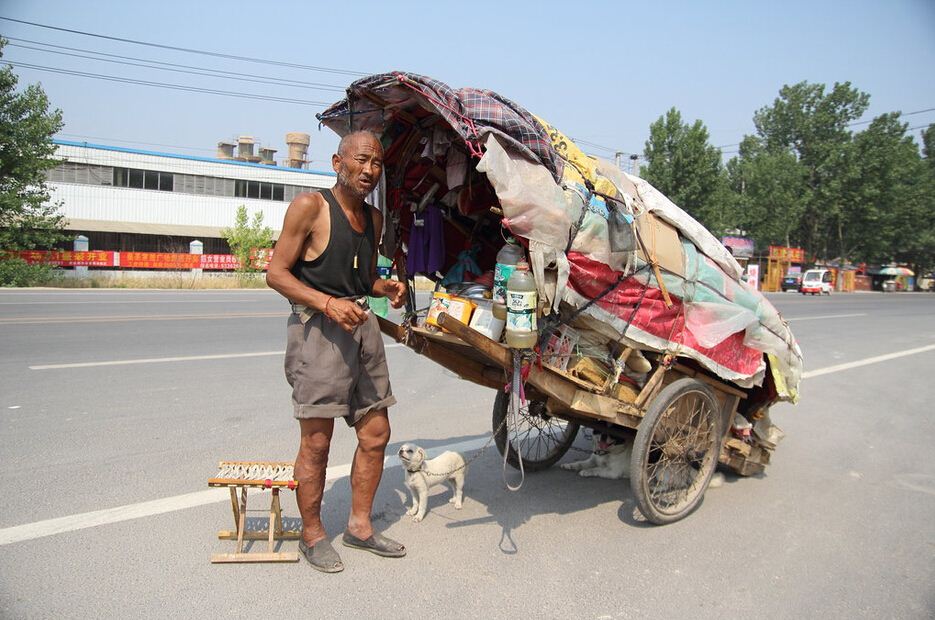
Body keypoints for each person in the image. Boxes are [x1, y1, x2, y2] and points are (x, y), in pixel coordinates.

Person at [266, 130, 407, 573]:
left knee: (376, 432)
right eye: (361, 161)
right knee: (317, 442)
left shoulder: (375, 219)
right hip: (317, 332)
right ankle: (312, 534)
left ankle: (360, 527)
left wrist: (384, 287)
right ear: (337, 162)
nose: (369, 171)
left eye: (377, 164)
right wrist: (327, 303)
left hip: (362, 328)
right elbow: (276, 273)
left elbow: (362, 279)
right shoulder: (310, 207)